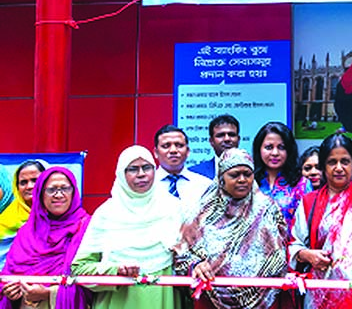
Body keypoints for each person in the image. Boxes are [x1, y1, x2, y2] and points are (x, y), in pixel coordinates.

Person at [174, 148, 287, 309]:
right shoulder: (202, 211)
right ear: (221, 178)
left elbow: (279, 256)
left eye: (247, 174)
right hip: (211, 300)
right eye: (234, 175)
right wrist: (196, 265)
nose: (242, 180)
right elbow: (182, 254)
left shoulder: (267, 209)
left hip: (262, 300)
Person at [72, 145, 181, 309]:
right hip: (118, 301)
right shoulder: (107, 213)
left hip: (161, 299)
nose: (141, 174)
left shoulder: (173, 208)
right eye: (133, 169)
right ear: (121, 174)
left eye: (147, 167)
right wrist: (115, 270)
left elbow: (191, 258)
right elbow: (80, 268)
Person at [289, 133, 352, 309]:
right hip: (319, 295)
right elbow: (293, 246)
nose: (339, 168)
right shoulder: (309, 202)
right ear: (323, 167)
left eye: (345, 161)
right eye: (332, 162)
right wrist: (308, 255)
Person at [0, 167, 90, 309]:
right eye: (51, 190)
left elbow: (93, 282)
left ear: (74, 192)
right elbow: (8, 275)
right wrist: (9, 291)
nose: (58, 195)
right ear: (40, 194)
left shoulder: (86, 228)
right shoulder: (27, 231)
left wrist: (49, 294)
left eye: (65, 189)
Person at [253, 122, 312, 232]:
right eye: (269, 147)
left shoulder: (302, 184)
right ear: (259, 149)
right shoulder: (250, 183)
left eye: (281, 147)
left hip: (291, 247)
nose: (275, 153)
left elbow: (308, 226)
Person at [153, 125, 212, 216]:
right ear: (156, 153)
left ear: (188, 151)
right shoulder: (146, 185)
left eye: (179, 145)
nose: (173, 150)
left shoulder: (205, 185)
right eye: (166, 146)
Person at [0, 160, 45, 268]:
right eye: (23, 182)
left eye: (35, 180)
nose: (29, 186)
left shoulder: (58, 217)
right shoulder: (6, 220)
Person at [190, 115, 240, 180]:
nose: (227, 139)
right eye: (220, 135)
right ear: (211, 141)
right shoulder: (194, 173)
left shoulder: (252, 171)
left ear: (238, 140)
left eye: (231, 135)